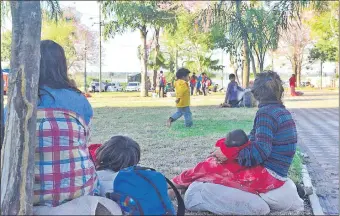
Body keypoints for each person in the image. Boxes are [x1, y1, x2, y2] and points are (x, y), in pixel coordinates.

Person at [173, 71, 303, 215]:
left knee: (211, 165)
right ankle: (181, 185)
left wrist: (230, 155)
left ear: (257, 94)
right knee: (216, 165)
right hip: (278, 173)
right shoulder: (280, 112)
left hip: (267, 175)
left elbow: (260, 152)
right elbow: (257, 140)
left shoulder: (266, 113)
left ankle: (176, 185)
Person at [3, 40, 98, 207]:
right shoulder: (79, 101)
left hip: (27, 196)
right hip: (79, 191)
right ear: (62, 66)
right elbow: (83, 142)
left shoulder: (16, 103)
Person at [170, 129, 285, 194]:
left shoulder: (212, 165)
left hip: (207, 184)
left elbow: (185, 177)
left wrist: (169, 182)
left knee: (192, 179)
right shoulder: (253, 162)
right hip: (258, 185)